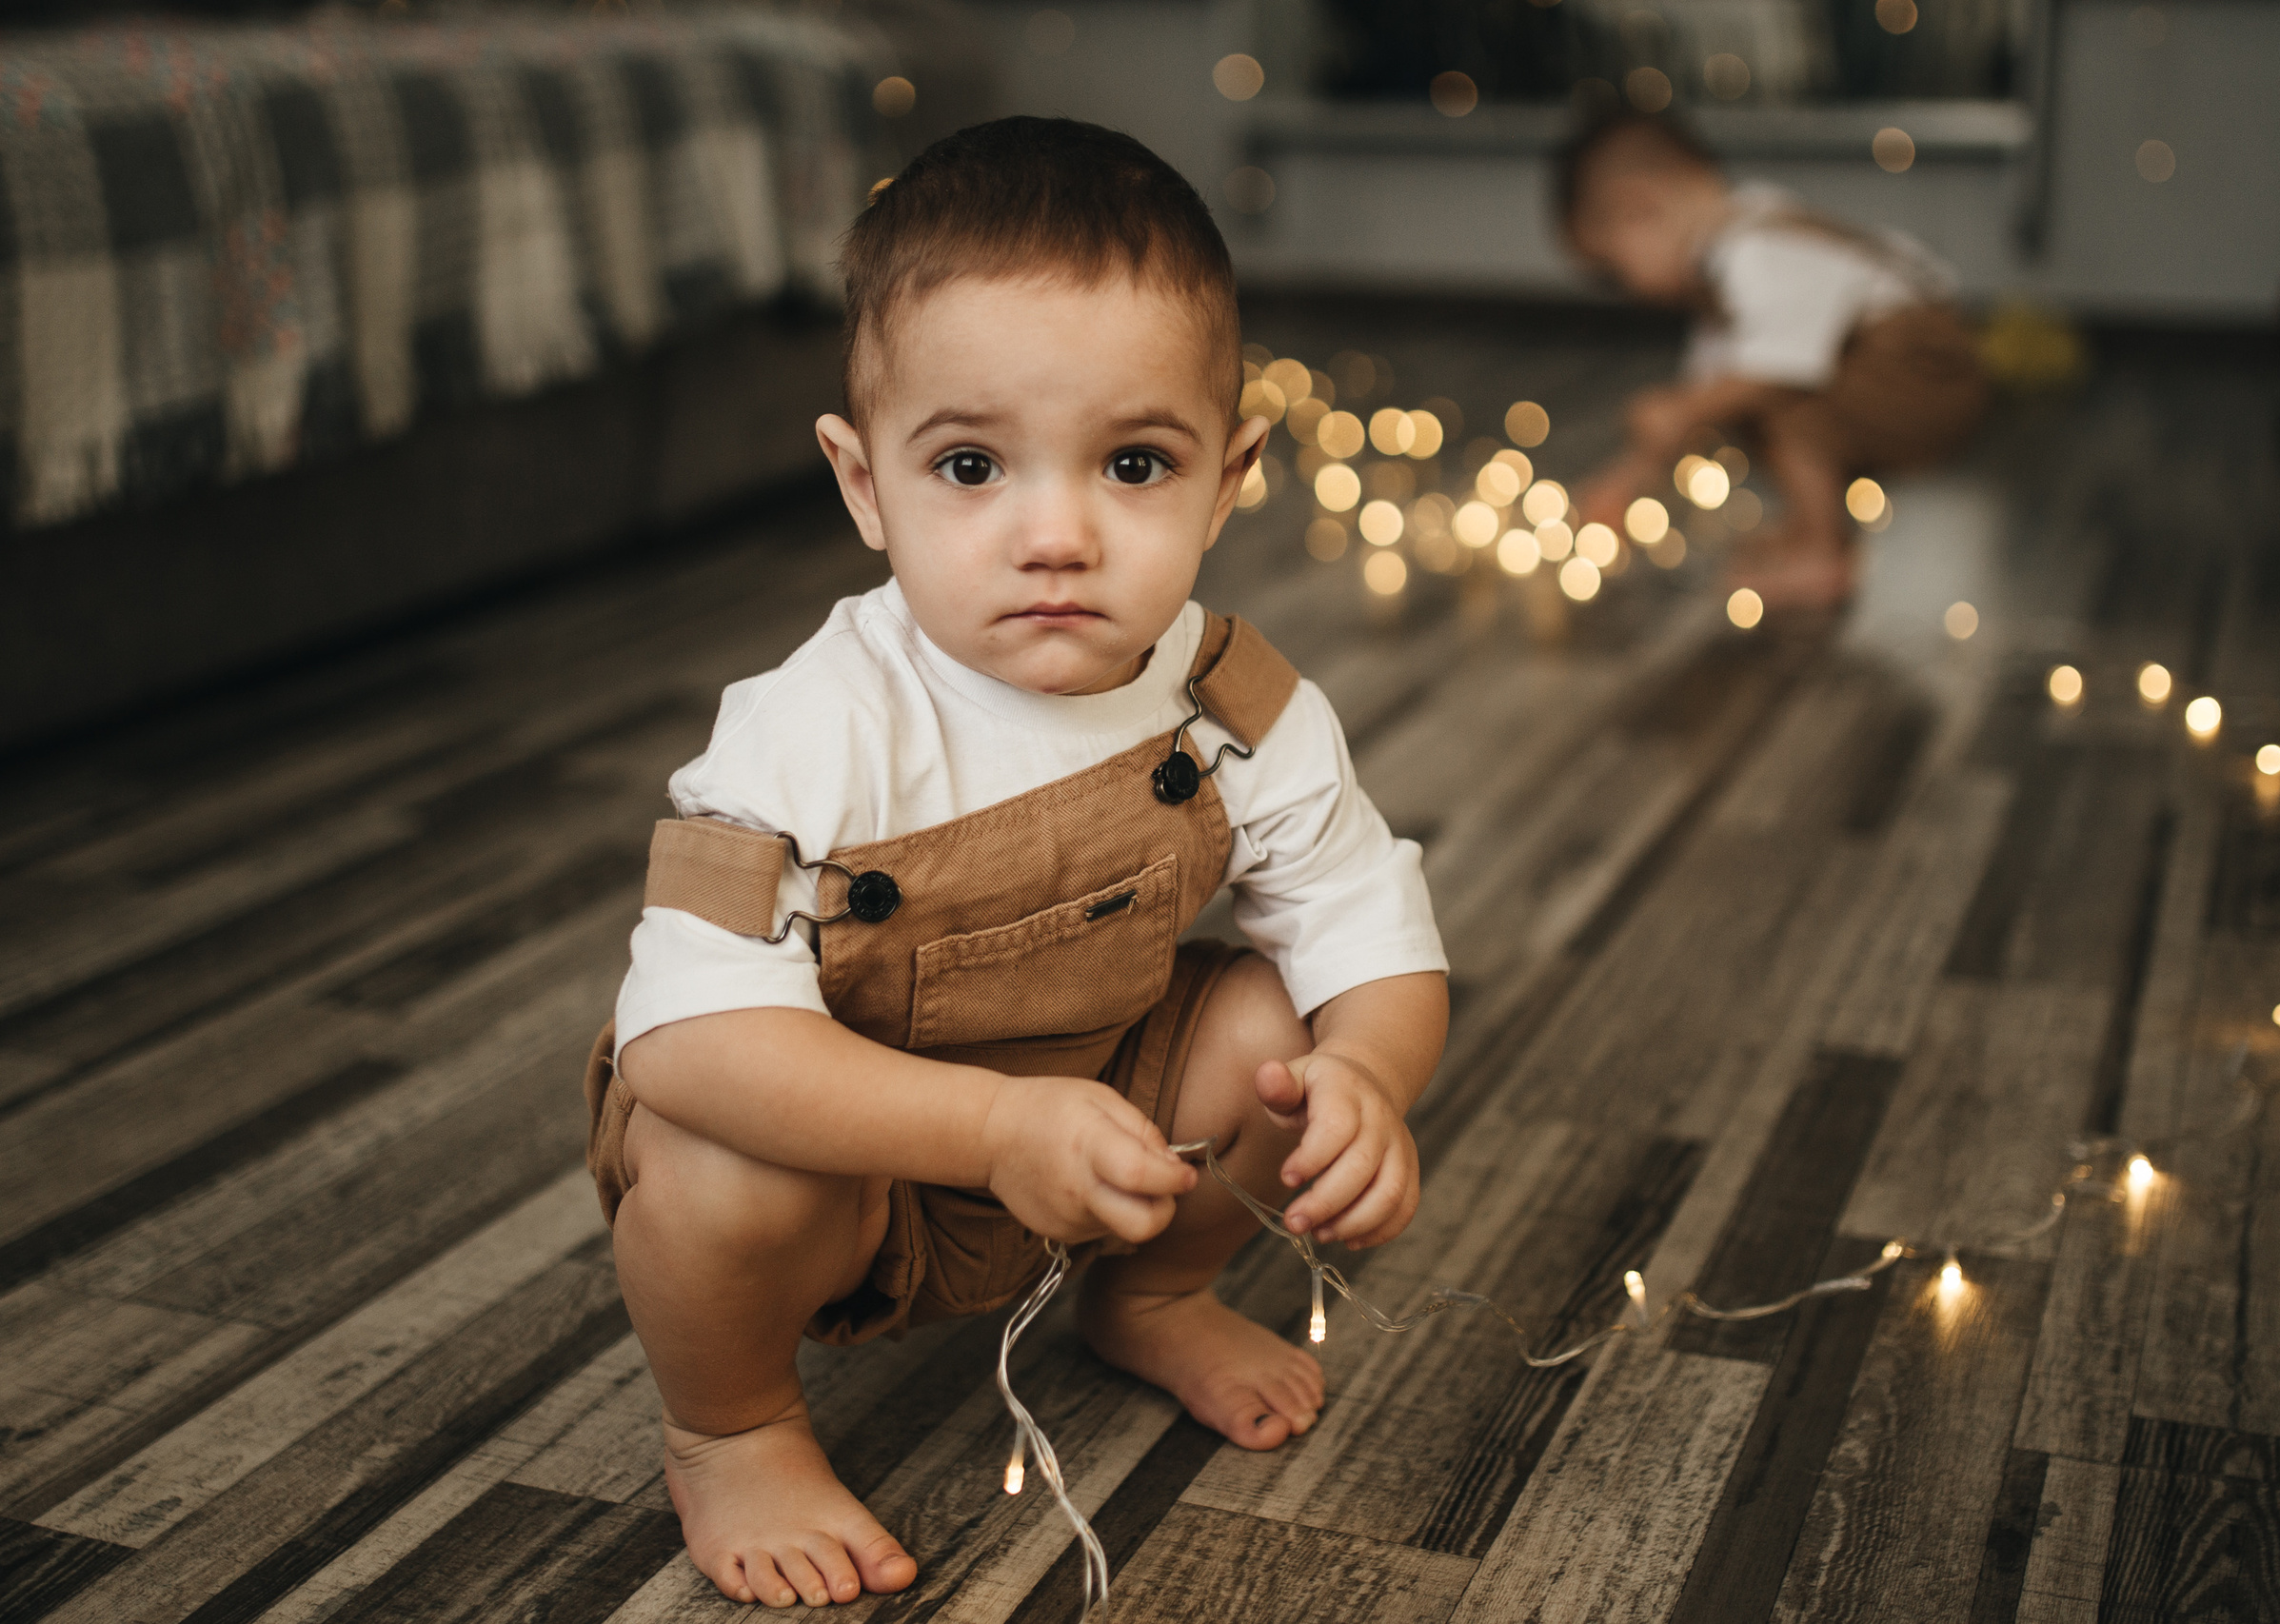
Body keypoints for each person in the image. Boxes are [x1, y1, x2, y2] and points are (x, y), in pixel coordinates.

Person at [580, 117, 1451, 1611]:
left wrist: (1368, 1072)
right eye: (972, 464)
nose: (1056, 533)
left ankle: (1153, 1292)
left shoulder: (1237, 707)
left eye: (1131, 462)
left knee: (1267, 1038)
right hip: (845, 1158)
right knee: (720, 1162)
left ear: (1229, 473)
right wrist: (986, 1126)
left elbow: (1371, 933)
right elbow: (688, 1041)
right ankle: (729, 1424)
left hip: (1098, 1121)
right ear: (864, 487)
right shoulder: (810, 729)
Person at [1560, 110, 1989, 607]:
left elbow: (1770, 370)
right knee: (1735, 392)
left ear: (1640, 207)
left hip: (1926, 372)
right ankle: (1812, 532)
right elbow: (1707, 387)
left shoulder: (1753, 252)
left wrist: (1683, 408)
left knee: (1771, 393)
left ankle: (1822, 554)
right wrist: (1625, 479)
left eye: (1614, 271)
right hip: (1912, 367)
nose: (1627, 290)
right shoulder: (1738, 242)